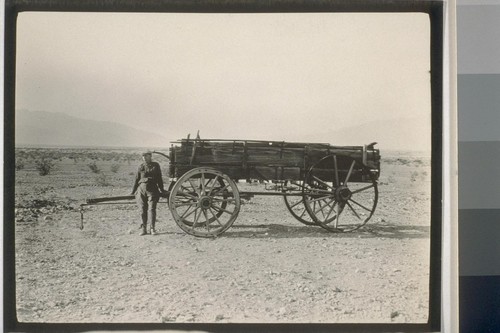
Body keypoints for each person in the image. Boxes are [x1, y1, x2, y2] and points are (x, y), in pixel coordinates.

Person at [131, 151, 165, 235]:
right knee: (142, 210)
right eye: (143, 157)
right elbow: (136, 179)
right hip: (141, 190)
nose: (144, 158)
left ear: (150, 156)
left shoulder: (156, 165)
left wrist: (162, 190)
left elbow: (159, 178)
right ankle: (144, 229)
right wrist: (133, 191)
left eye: (146, 156)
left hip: (152, 189)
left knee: (152, 209)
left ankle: (152, 229)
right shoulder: (141, 166)